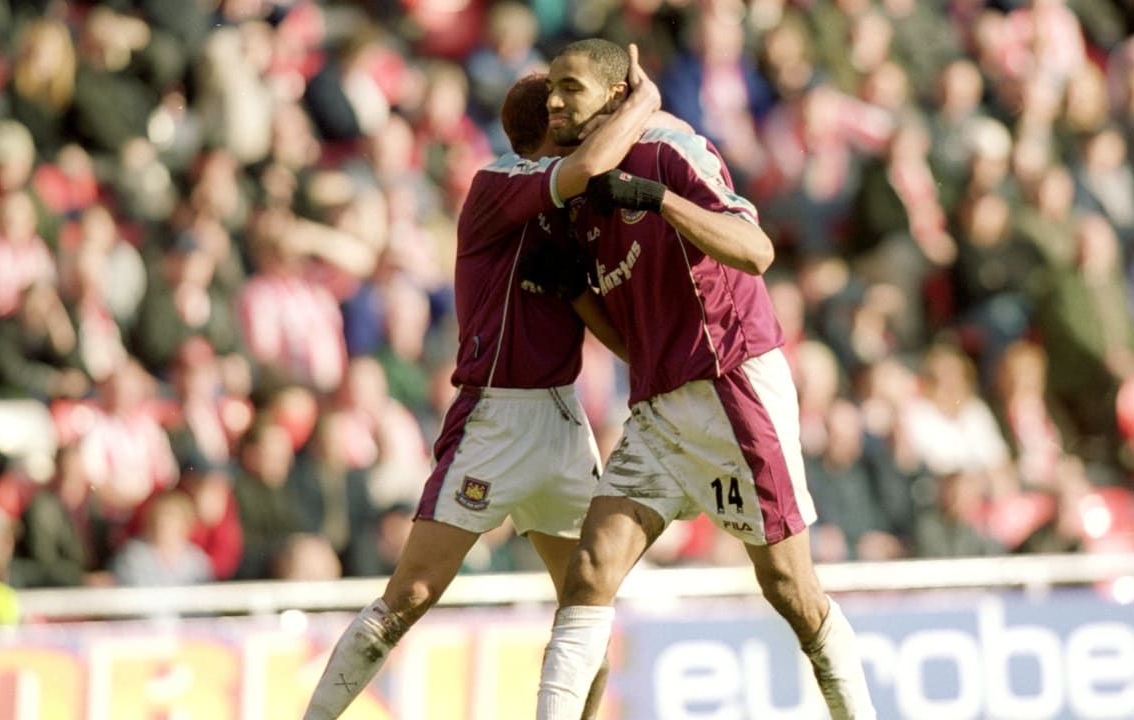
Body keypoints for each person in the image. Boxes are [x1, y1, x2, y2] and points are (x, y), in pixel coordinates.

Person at [301, 46, 662, 720]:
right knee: (407, 597)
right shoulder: (500, 182)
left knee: (587, 617)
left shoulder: (573, 208)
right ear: (551, 129)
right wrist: (641, 102)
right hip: (492, 420)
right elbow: (587, 163)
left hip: (561, 424)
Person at [536, 39, 876, 719]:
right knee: (591, 570)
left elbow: (757, 250)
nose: (552, 101)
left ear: (612, 95)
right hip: (659, 408)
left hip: (731, 388)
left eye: (568, 87)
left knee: (790, 590)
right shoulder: (578, 203)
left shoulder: (668, 150)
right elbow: (632, 343)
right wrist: (575, 295)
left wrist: (658, 200)